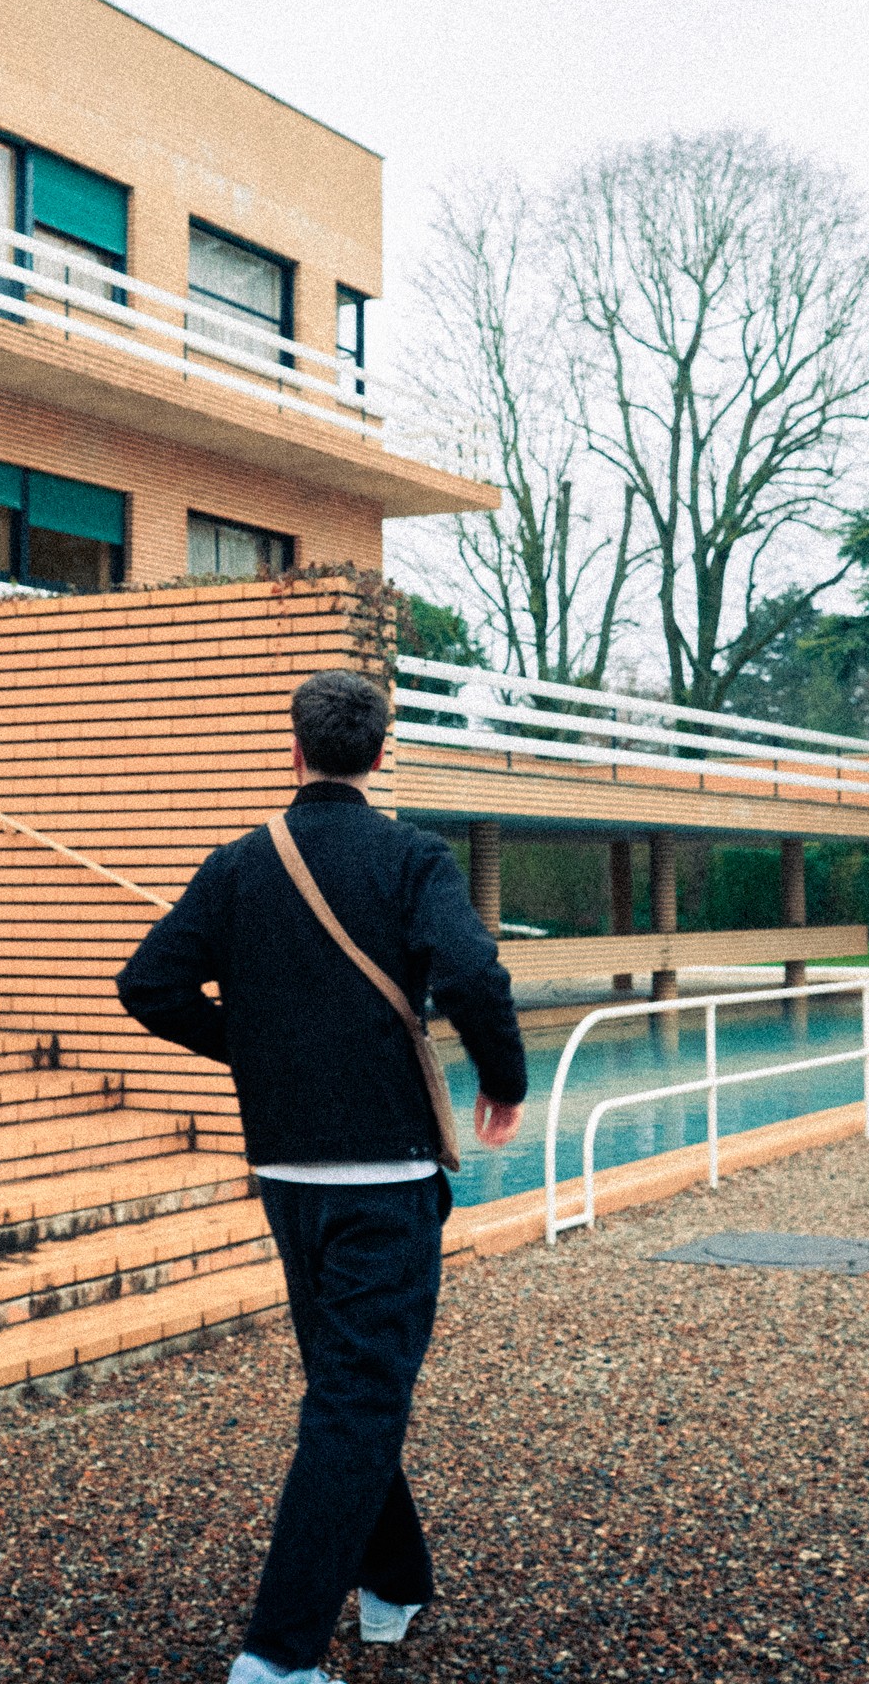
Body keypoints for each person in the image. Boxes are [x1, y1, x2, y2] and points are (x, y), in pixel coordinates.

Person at [117, 667, 528, 1684]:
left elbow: (149, 984)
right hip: (388, 1173)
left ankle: (394, 1578)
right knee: (356, 1394)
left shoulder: (239, 863)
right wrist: (506, 1080)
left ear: (293, 750)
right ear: (382, 753)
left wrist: (253, 1050)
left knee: (352, 1384)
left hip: (290, 1175)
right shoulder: (412, 857)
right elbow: (474, 972)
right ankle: (277, 1656)